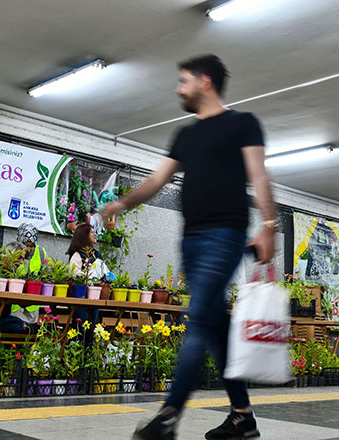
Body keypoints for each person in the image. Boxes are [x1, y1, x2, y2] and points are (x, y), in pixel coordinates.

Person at [104, 54, 276, 440]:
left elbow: (258, 175)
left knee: (197, 320)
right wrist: (121, 203)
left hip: (225, 235)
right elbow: (157, 179)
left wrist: (268, 226)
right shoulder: (184, 135)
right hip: (192, 240)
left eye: (184, 81)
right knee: (215, 327)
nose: (178, 88)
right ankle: (242, 415)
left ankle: (169, 416)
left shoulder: (242, 123)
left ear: (206, 82)